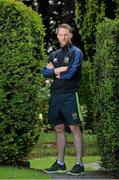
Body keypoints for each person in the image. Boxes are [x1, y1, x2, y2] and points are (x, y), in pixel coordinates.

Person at [42, 23, 84, 175]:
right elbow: (44, 72)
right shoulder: (53, 54)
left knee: (74, 127)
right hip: (55, 96)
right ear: (57, 36)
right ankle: (60, 163)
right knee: (58, 128)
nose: (63, 37)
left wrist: (55, 71)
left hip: (70, 95)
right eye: (60, 34)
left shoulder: (76, 52)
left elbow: (71, 72)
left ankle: (79, 164)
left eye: (66, 34)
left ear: (71, 35)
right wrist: (57, 70)